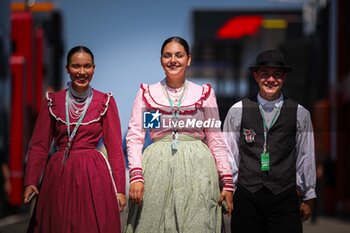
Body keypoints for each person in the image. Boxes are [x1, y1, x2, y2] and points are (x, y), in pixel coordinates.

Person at [123, 36, 234, 233]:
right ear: (161, 60)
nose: (173, 60)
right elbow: (135, 136)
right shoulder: (149, 93)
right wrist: (136, 177)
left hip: (198, 168)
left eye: (179, 55)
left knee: (199, 224)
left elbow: (215, 138)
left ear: (188, 59)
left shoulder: (204, 93)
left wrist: (227, 181)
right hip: (157, 167)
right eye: (167, 55)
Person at [23, 46, 126, 233]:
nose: (81, 72)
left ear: (94, 68)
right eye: (76, 66)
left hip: (93, 174)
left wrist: (119, 189)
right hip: (59, 172)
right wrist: (31, 180)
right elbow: (39, 146)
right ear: (67, 68)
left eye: (87, 66)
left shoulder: (105, 101)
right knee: (59, 223)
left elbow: (115, 149)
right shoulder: (53, 101)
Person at [223, 49, 316, 233]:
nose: (271, 80)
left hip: (284, 195)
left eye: (277, 75)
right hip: (247, 194)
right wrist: (228, 188)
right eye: (265, 74)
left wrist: (308, 196)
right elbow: (229, 153)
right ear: (256, 76)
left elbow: (306, 156)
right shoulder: (237, 110)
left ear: (284, 77)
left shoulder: (300, 113)